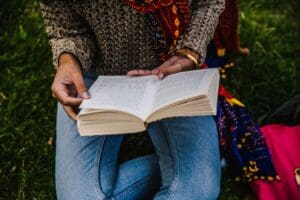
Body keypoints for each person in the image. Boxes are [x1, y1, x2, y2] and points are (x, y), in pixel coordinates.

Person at [40, 0, 225, 199]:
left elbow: (209, 3)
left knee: (198, 190)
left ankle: (194, 164)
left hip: (171, 69)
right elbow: (66, 27)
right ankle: (198, 162)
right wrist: (68, 58)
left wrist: (189, 50)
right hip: (96, 76)